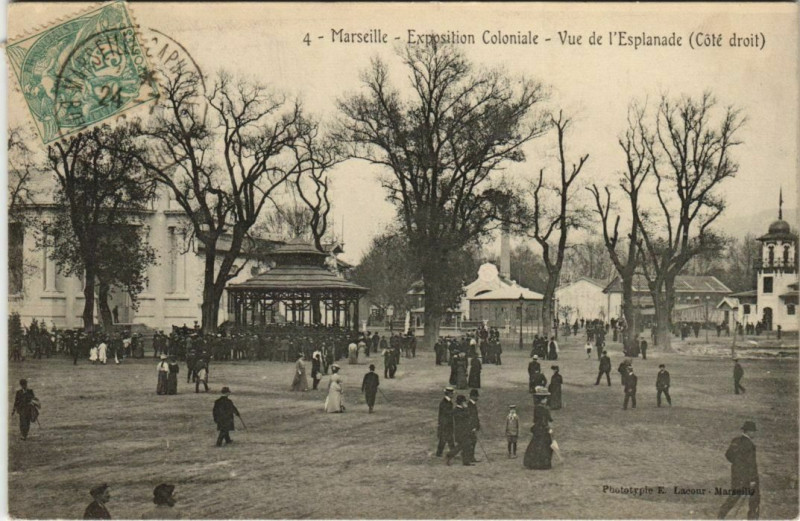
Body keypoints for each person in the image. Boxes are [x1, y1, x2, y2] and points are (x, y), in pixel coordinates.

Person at [718, 421, 760, 519]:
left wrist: (737, 464)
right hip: (748, 476)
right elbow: (751, 464)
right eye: (753, 431)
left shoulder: (735, 440)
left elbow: (728, 455)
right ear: (749, 432)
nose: (754, 434)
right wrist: (753, 479)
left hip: (736, 474)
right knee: (754, 499)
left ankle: (721, 515)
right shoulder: (750, 445)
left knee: (734, 496)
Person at [524, 388, 554, 470]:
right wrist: (549, 429)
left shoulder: (536, 408)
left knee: (535, 444)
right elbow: (548, 420)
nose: (546, 400)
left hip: (537, 429)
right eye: (545, 398)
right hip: (544, 429)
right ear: (543, 399)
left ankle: (533, 463)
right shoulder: (545, 409)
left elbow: (535, 420)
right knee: (546, 446)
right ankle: (543, 464)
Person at [445, 395, 473, 466]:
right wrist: (466, 408)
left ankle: (466, 461)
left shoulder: (458, 410)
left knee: (466, 445)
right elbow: (466, 415)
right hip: (461, 431)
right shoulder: (457, 411)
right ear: (462, 402)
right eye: (464, 402)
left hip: (464, 430)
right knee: (463, 445)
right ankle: (450, 454)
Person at [436, 387, 455, 457]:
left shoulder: (446, 402)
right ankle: (440, 453)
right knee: (445, 439)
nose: (453, 394)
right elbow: (446, 413)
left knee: (447, 439)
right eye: (452, 393)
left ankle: (440, 452)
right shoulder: (444, 403)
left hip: (446, 423)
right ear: (449, 394)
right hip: (445, 424)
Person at [465, 389, 481, 464]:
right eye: (476, 396)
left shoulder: (472, 404)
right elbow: (470, 417)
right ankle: (470, 457)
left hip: (474, 427)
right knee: (471, 442)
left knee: (473, 442)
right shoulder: (470, 405)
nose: (477, 397)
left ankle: (471, 457)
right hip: (471, 428)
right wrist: (472, 427)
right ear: (472, 396)